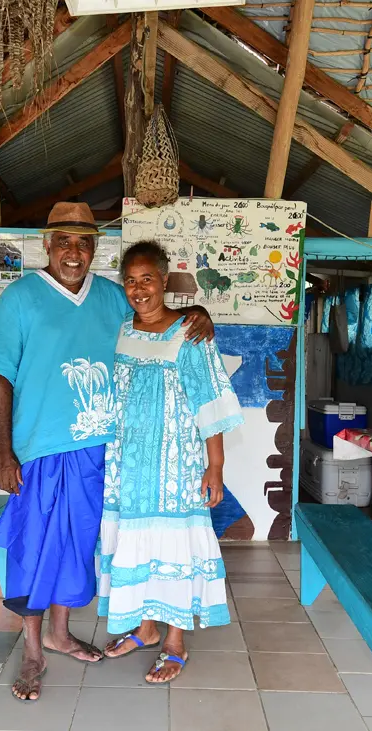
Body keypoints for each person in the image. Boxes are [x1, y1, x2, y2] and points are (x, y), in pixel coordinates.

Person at [0, 203, 215, 702]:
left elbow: (155, 317)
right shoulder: (19, 298)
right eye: (64, 241)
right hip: (38, 449)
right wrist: (2, 450)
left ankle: (61, 633)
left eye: (83, 242)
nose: (74, 252)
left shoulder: (112, 297)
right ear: (47, 244)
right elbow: (0, 375)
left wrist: (197, 313)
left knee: (78, 546)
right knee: (34, 547)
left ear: (95, 249)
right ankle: (33, 648)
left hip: (101, 449)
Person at [97, 241, 242, 683]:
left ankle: (174, 642)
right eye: (130, 282)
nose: (139, 290)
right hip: (127, 467)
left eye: (147, 280)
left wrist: (214, 467)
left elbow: (210, 405)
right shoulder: (119, 328)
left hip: (176, 467)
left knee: (175, 547)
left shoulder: (189, 333)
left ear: (164, 280)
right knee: (136, 543)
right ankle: (144, 628)